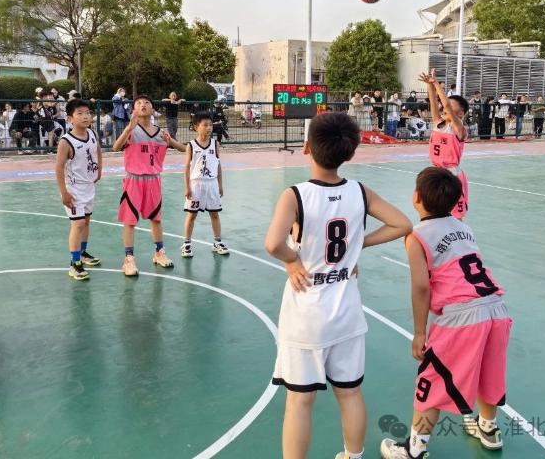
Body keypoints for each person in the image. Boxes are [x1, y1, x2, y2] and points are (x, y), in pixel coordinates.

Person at [264, 111, 412, 459]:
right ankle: (353, 455)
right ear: (350, 152)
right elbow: (402, 223)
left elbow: (273, 244)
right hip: (346, 312)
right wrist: (355, 246)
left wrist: (292, 260)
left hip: (306, 313)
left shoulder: (295, 196)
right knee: (350, 393)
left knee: (300, 401)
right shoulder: (359, 192)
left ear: (306, 147)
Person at [380, 167, 511, 459]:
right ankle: (488, 428)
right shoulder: (464, 228)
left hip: (462, 316)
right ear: (455, 201)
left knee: (432, 378)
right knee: (489, 372)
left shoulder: (417, 236)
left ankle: (414, 450)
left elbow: (421, 287)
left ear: (416, 197)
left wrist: (419, 332)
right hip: (496, 308)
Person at [113, 95, 187, 275]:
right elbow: (115, 147)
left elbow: (185, 149)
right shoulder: (131, 130)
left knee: (156, 219)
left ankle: (159, 252)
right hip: (134, 180)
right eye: (138, 103)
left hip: (153, 180)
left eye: (147, 102)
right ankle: (129, 259)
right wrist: (128, 129)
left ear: (153, 109)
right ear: (134, 110)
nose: (143, 105)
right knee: (130, 220)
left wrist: (171, 141)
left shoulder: (161, 134)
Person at [55, 99, 102, 281]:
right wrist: (64, 193)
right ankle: (74, 264)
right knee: (78, 224)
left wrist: (99, 169)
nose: (85, 116)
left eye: (87, 113)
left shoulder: (92, 133)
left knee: (86, 222)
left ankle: (82, 253)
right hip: (73, 189)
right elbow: (59, 168)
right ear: (70, 119)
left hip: (89, 186)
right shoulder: (66, 142)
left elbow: (97, 150)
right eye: (80, 113)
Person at [420, 69, 469, 219]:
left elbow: (446, 105)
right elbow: (434, 102)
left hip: (451, 175)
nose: (445, 106)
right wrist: (430, 85)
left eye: (452, 106)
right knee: (432, 209)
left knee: (455, 215)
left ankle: (457, 232)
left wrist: (436, 83)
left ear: (460, 113)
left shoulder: (458, 128)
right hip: (436, 173)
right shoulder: (438, 123)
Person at [180, 112, 229, 259]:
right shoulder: (191, 145)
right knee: (192, 215)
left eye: (210, 125)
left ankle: (217, 242)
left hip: (212, 184)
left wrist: (220, 185)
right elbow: (187, 168)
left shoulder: (215, 144)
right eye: (205, 125)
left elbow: (218, 165)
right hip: (196, 184)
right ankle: (186, 244)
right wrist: (187, 187)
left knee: (214, 214)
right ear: (196, 127)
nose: (209, 128)